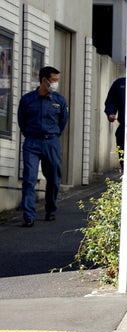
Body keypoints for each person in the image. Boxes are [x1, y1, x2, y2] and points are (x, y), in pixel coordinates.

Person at [17, 66, 69, 227]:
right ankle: (28, 215)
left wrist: (52, 135)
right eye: (53, 80)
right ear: (44, 80)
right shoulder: (27, 100)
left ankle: (50, 209)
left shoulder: (59, 100)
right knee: (29, 179)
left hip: (51, 141)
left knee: (53, 179)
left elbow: (62, 122)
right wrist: (31, 135)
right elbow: (22, 121)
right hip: (32, 142)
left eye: (56, 80)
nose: (55, 83)